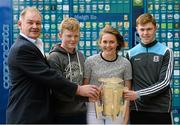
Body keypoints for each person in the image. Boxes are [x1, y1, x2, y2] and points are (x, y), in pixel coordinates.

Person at [6, 7, 100, 124]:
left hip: (38, 114)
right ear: (20, 24)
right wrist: (79, 89)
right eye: (30, 22)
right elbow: (49, 76)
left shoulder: (34, 45)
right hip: (26, 115)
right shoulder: (22, 48)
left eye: (38, 23)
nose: (35, 26)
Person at [124, 13, 174, 124]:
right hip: (138, 109)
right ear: (137, 29)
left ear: (155, 28)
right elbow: (128, 83)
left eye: (149, 29)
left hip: (161, 109)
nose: (145, 33)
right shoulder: (130, 54)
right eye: (142, 29)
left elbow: (164, 83)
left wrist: (138, 94)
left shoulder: (166, 52)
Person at [83, 25, 132, 124]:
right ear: (100, 43)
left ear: (118, 43)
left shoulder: (125, 63)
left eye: (112, 42)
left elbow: (127, 94)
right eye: (105, 42)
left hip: (116, 107)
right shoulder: (90, 61)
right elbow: (84, 87)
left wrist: (125, 119)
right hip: (94, 107)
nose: (108, 45)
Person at [47, 18, 87, 124]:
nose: (73, 39)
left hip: (81, 112)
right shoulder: (54, 57)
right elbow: (57, 89)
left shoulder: (81, 56)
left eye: (76, 36)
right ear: (60, 35)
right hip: (62, 114)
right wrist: (80, 93)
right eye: (69, 36)